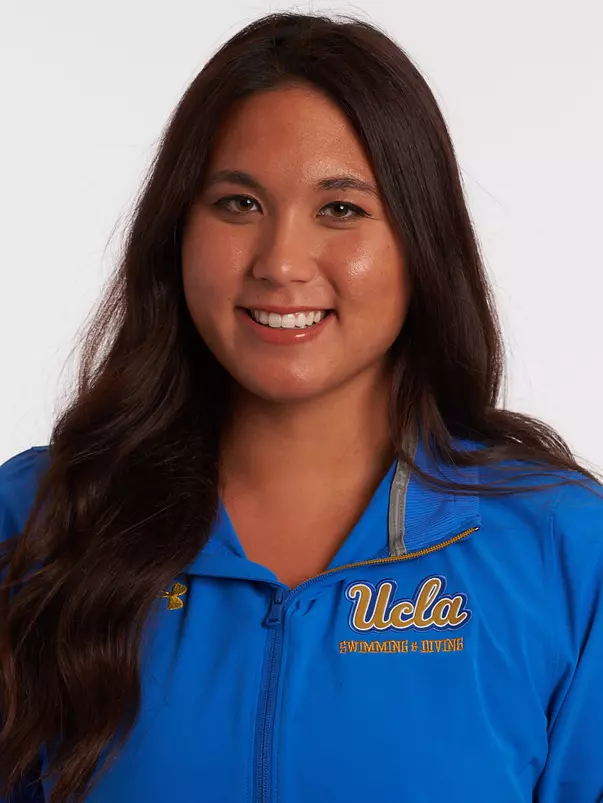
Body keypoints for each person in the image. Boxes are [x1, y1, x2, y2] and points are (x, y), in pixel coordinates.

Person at [1, 10, 602, 803]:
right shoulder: (39, 517)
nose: (281, 262)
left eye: (341, 209)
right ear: (176, 232)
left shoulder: (561, 545)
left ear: (421, 243)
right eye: (237, 204)